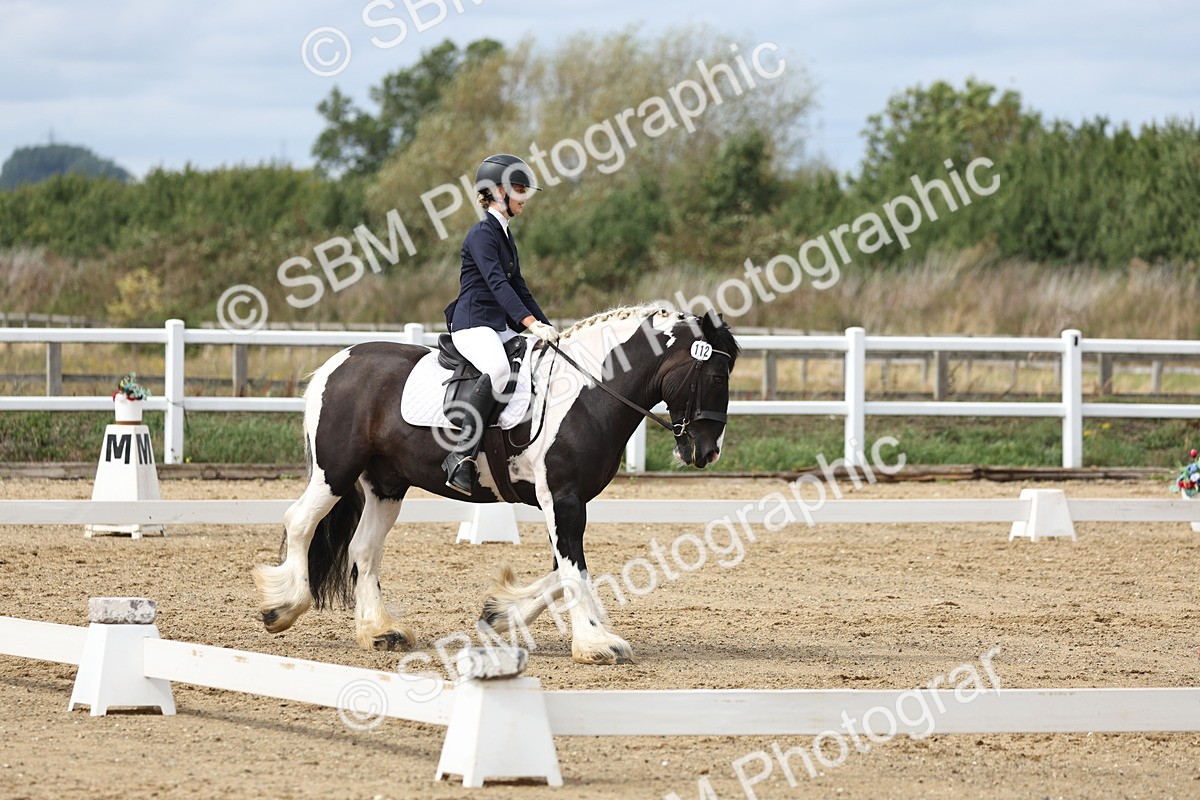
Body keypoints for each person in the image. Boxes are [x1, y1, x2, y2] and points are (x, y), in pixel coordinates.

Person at [440, 153, 560, 495]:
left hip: (497, 325)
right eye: (518, 189)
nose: (524, 197)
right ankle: (460, 455)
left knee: (540, 361)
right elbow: (497, 284)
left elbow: (520, 287)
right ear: (496, 192)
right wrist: (528, 322)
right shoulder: (482, 234)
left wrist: (547, 329)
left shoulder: (504, 234)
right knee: (497, 369)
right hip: (473, 324)